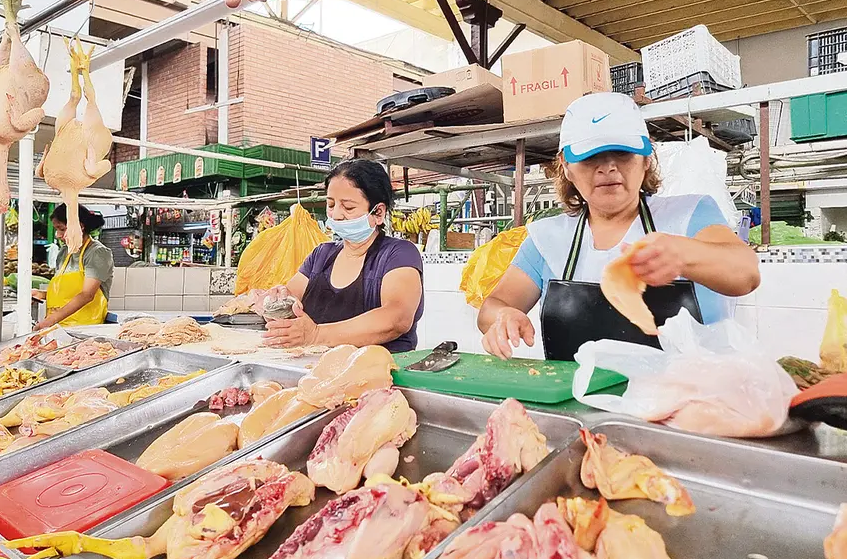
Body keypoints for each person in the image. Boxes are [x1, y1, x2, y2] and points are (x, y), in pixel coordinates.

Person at [479, 92, 760, 361]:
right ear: (566, 166)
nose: (608, 168)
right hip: (578, 405)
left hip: (686, 404)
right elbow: (492, 306)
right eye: (590, 158)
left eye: (623, 154)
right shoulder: (547, 238)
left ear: (646, 158)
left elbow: (746, 274)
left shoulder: (690, 215)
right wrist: (503, 317)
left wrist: (685, 254)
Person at [261, 159, 424, 352]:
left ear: (378, 212)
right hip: (316, 371)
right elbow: (290, 305)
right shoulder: (321, 255)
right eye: (331, 205)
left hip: (379, 374)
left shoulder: (399, 254)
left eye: (347, 207)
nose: (336, 215)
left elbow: (396, 318)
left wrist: (316, 335)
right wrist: (274, 303)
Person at [33, 204, 114, 329]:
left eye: (61, 229)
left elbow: (87, 295)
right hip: (58, 328)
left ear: (80, 226)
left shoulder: (97, 253)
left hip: (84, 330)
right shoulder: (64, 253)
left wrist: (51, 320)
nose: (57, 235)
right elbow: (65, 293)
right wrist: (42, 294)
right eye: (56, 229)